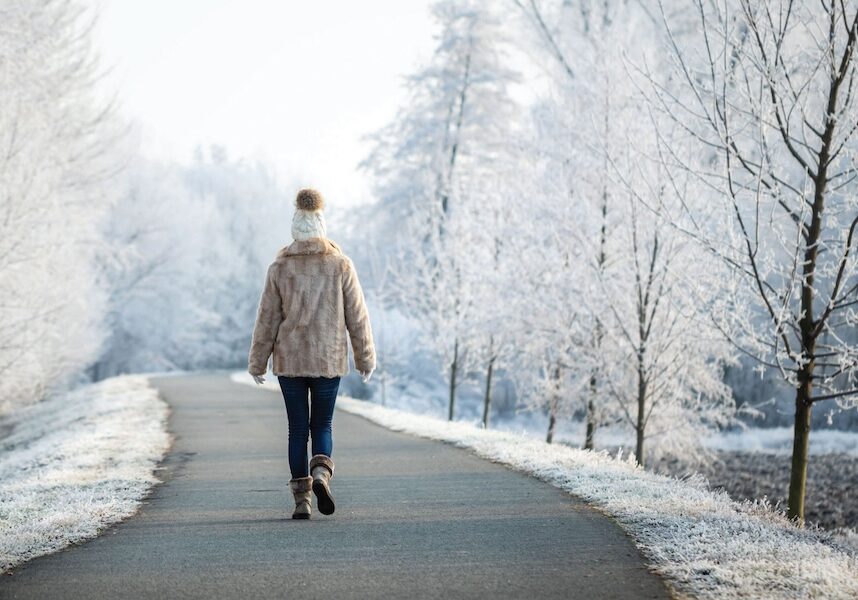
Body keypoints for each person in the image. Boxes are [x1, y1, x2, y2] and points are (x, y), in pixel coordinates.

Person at [248, 188, 376, 520]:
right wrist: (365, 358)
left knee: (296, 429)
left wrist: (257, 362)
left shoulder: (279, 267)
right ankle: (321, 471)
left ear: (295, 228)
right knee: (323, 423)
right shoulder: (340, 265)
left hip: (290, 362)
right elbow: (357, 316)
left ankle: (301, 500)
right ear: (321, 226)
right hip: (328, 359)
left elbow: (267, 318)